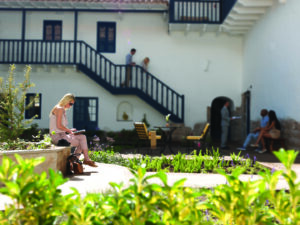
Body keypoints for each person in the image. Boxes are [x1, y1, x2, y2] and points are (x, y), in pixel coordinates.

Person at [49, 93, 97, 167]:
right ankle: (77, 161)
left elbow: (58, 127)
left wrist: (70, 130)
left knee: (83, 137)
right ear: (66, 101)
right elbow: (59, 126)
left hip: (62, 134)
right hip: (58, 137)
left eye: (72, 104)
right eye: (70, 103)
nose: (70, 106)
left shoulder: (61, 109)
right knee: (81, 142)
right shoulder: (60, 109)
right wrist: (69, 131)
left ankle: (82, 160)